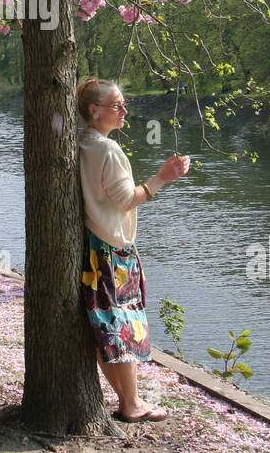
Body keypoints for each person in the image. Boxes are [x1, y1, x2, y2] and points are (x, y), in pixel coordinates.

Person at [77, 76, 190, 423]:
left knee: (105, 328)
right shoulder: (107, 150)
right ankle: (131, 404)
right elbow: (126, 200)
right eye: (117, 105)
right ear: (94, 111)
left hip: (94, 248)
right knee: (122, 326)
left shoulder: (83, 141)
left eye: (124, 104)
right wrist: (162, 177)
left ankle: (130, 400)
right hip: (113, 253)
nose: (125, 110)